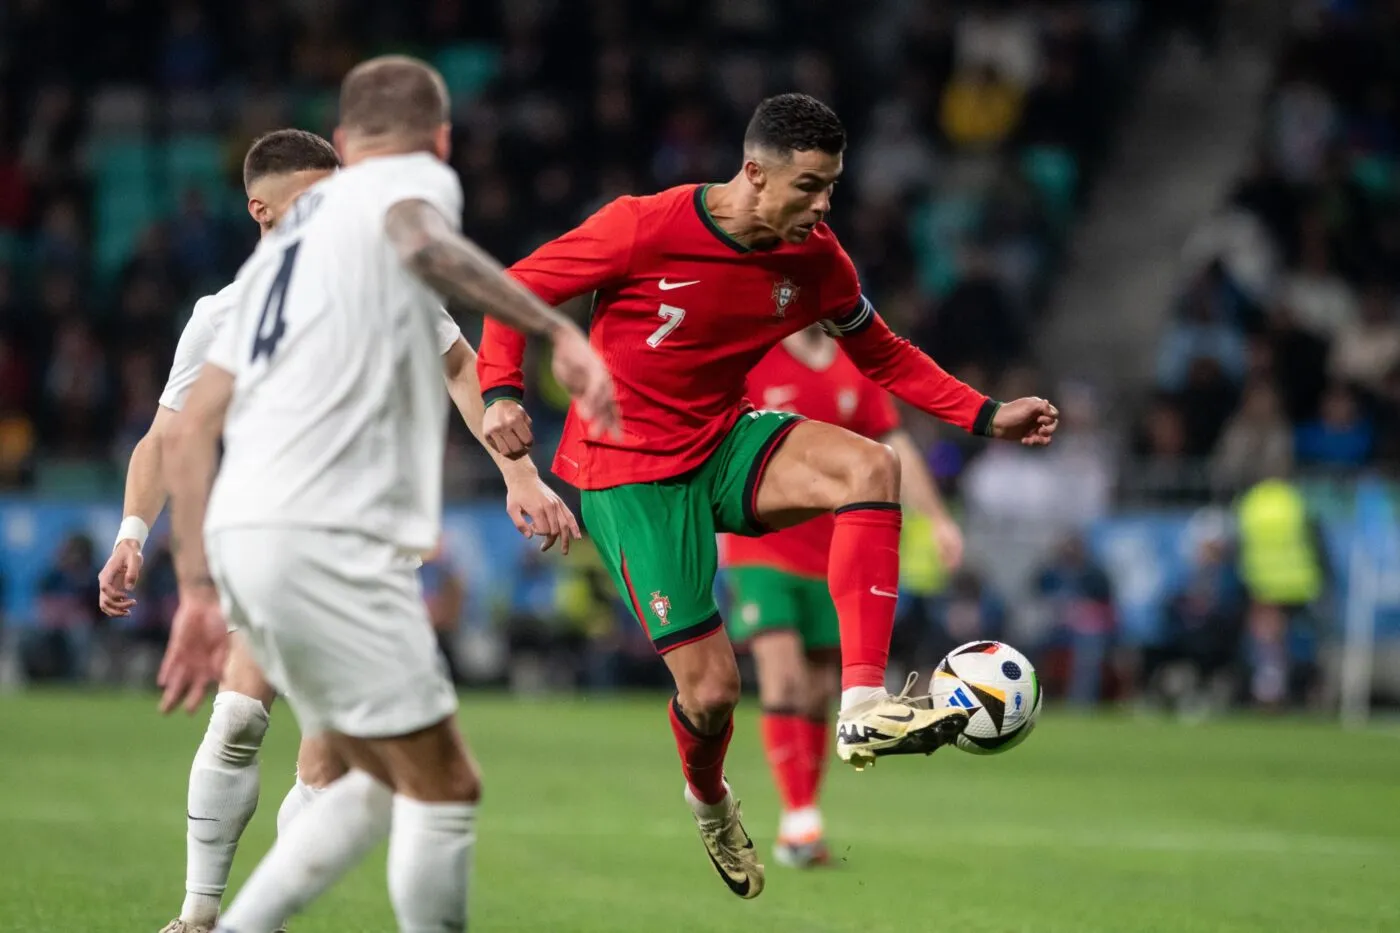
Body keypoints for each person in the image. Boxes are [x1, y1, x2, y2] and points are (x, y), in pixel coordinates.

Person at [477, 92, 1057, 898]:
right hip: (627, 470)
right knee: (713, 693)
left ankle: (862, 699)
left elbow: (882, 354)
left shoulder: (815, 257)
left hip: (721, 440)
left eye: (832, 188)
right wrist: (501, 388)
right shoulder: (645, 225)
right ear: (755, 172)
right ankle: (710, 800)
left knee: (871, 468)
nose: (823, 207)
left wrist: (987, 415)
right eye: (810, 186)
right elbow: (515, 288)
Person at [155, 55, 617, 933]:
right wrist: (553, 325)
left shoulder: (277, 263)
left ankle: (216, 922)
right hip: (330, 536)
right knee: (444, 785)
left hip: (255, 534)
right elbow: (421, 239)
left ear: (341, 142)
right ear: (437, 142)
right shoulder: (403, 191)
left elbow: (190, 424)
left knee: (363, 775)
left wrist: (198, 586)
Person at [718, 323, 964, 868]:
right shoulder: (753, 352)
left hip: (833, 551)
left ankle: (799, 822)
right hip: (760, 545)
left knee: (821, 687)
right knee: (781, 675)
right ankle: (801, 817)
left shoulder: (853, 363)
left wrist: (939, 519)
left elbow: (894, 449)